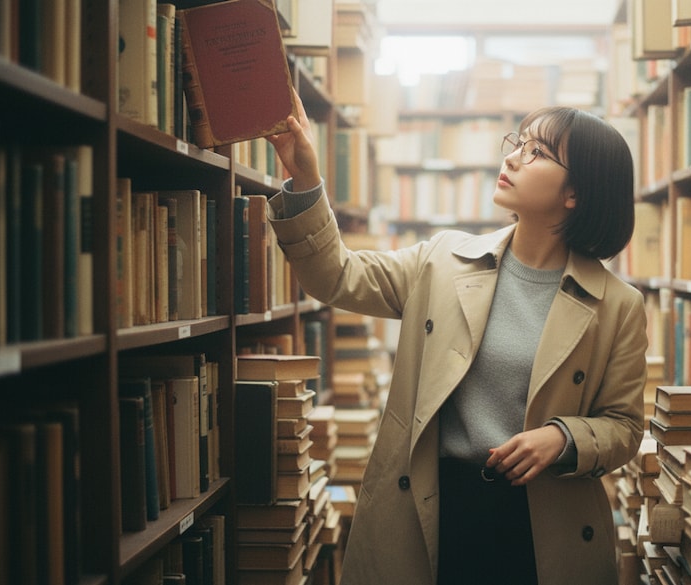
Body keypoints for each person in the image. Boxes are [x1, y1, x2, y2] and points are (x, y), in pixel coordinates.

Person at [265, 92, 648, 585]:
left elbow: (624, 427)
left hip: (542, 526)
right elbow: (334, 276)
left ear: (575, 193)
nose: (511, 156)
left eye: (536, 152)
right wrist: (305, 179)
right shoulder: (443, 260)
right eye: (518, 143)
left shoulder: (617, 305)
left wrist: (563, 436)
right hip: (435, 507)